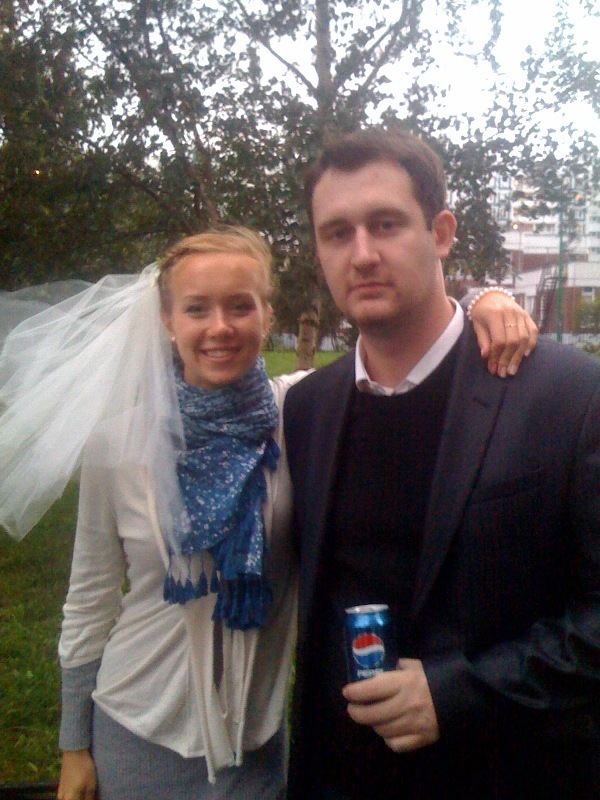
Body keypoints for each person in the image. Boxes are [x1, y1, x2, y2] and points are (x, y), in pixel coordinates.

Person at [0, 226, 534, 798]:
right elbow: (90, 598)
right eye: (196, 309)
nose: (220, 327)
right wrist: (74, 745)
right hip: (137, 734)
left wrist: (483, 301)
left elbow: (405, 360)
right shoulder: (120, 443)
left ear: (265, 313)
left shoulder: (303, 410)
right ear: (167, 321)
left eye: (240, 306)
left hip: (258, 746)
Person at [283, 129, 600, 800]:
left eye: (386, 224)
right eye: (337, 233)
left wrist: (458, 694)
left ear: (442, 233)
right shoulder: (307, 408)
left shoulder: (567, 395)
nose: (362, 254)